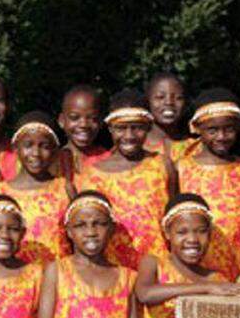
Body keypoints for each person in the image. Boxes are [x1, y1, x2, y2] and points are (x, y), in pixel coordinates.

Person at [74, 89, 176, 269]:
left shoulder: (162, 165)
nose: (129, 136)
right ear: (111, 129)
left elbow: (174, 218)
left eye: (137, 127)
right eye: (121, 128)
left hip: (158, 266)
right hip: (112, 269)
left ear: (147, 127)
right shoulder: (93, 174)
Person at [176, 89, 240, 280]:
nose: (221, 136)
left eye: (228, 129)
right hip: (197, 263)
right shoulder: (183, 167)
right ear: (197, 129)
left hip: (239, 261)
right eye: (212, 130)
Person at [0, 112, 73, 264]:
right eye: (28, 145)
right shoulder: (1, 192)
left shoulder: (64, 188)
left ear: (55, 151)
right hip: (18, 278)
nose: (36, 153)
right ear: (16, 148)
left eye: (44, 146)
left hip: (57, 276)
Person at [54, 84, 110, 184]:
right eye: (74, 118)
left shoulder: (108, 160)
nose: (83, 124)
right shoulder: (52, 162)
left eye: (92, 118)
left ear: (101, 122)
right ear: (61, 121)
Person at [143, 71, 198, 161]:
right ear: (147, 101)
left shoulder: (195, 148)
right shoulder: (134, 146)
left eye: (178, 98)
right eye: (160, 97)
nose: (169, 102)